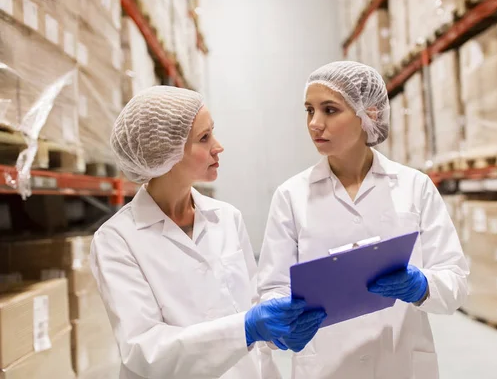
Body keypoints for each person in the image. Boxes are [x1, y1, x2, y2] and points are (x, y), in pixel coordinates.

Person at [90, 86, 326, 379]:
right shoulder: (117, 240)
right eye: (204, 138)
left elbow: (251, 305)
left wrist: (277, 330)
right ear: (166, 152)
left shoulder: (226, 218)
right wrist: (247, 328)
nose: (218, 146)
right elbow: (145, 350)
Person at [257, 62, 469, 379]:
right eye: (309, 110)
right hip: (326, 366)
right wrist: (284, 320)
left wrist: (422, 286)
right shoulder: (291, 195)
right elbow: (272, 288)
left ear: (368, 114)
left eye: (330, 110)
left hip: (400, 362)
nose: (315, 123)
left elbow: (455, 280)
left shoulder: (414, 186)